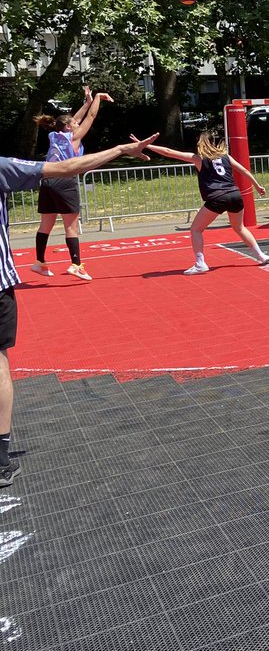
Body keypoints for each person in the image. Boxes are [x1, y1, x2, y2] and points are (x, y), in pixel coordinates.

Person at [0, 132, 160, 487]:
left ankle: (47, 261)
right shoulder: (6, 166)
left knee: (52, 225)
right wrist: (120, 148)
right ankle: (1, 457)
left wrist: (92, 104)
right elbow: (70, 163)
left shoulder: (52, 140)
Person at [146, 132, 269, 274]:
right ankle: (261, 255)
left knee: (196, 229)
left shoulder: (198, 159)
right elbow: (243, 170)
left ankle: (200, 263)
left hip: (217, 196)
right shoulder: (226, 156)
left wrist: (146, 145)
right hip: (235, 195)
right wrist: (257, 186)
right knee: (240, 227)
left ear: (201, 144)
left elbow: (168, 152)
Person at [30, 87, 113, 281]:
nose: (78, 123)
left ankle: (39, 262)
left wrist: (86, 101)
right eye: (75, 123)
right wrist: (98, 98)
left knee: (45, 225)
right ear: (69, 128)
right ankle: (76, 265)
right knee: (71, 228)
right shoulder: (73, 138)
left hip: (47, 181)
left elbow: (74, 118)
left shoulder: (54, 136)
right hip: (65, 181)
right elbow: (90, 117)